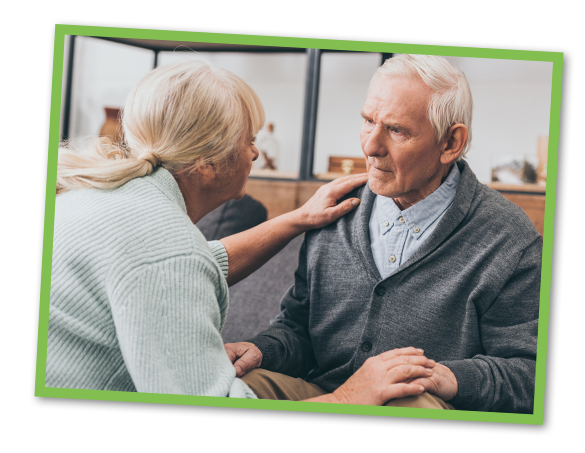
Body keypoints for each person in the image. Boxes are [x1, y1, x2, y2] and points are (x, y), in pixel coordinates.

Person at [46, 59, 436, 403]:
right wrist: (351, 397)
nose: (254, 153)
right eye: (248, 140)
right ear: (206, 164)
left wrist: (297, 218)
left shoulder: (104, 195)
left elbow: (196, 263)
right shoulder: (166, 251)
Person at [225, 55, 542, 413]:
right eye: (367, 121)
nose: (370, 147)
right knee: (236, 385)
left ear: (451, 143)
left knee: (415, 402)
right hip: (321, 392)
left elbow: (529, 375)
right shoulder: (334, 209)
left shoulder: (509, 237)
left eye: (396, 130)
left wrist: (448, 377)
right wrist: (263, 348)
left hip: (419, 401)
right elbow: (297, 328)